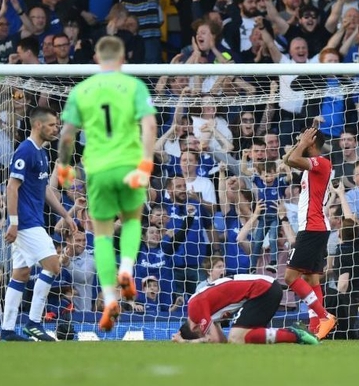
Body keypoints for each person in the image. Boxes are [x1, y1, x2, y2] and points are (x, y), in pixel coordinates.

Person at [55, 35, 157, 332]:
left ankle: (110, 298)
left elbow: (67, 134)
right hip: (128, 165)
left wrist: (63, 167)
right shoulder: (135, 86)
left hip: (97, 169)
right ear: (123, 58)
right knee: (132, 221)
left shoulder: (82, 90)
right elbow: (150, 125)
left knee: (100, 235)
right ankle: (126, 269)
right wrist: (145, 163)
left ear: (97, 59)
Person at [0, 107, 74, 342]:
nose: (56, 129)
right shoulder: (26, 150)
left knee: (21, 274)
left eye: (56, 125)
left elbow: (45, 189)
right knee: (53, 266)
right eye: (51, 125)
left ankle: (7, 330)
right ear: (38, 125)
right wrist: (14, 223)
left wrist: (66, 215)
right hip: (26, 223)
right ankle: (33, 323)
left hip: (31, 220)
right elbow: (12, 187)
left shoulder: (42, 153)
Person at [282, 127, 337, 339]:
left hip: (313, 227)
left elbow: (293, 159)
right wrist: (301, 143)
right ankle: (316, 328)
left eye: (303, 139)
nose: (299, 142)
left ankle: (324, 317)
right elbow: (288, 160)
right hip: (315, 227)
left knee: (290, 277)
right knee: (312, 279)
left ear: (312, 142)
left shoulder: (322, 163)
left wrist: (303, 143)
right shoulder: (310, 166)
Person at [172, 274, 318, 345]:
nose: (206, 335)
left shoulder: (195, 309)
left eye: (202, 334)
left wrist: (185, 342)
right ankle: (295, 333)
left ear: (195, 327)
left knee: (236, 337)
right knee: (241, 337)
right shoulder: (207, 312)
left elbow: (214, 339)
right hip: (264, 289)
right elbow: (221, 342)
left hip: (262, 290)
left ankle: (295, 334)